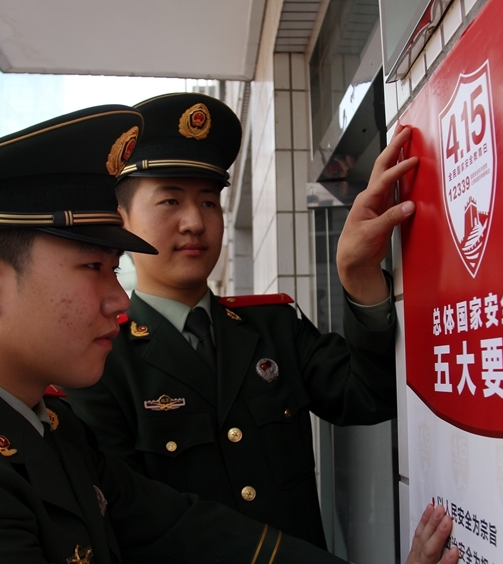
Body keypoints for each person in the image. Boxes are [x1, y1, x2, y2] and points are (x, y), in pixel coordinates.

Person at [0, 104, 456, 564]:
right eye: (93, 268)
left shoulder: (37, 424)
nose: (119, 300)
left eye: (208, 201)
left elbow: (184, 527)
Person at [65, 93, 417, 549]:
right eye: (170, 201)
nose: (194, 221)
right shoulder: (99, 361)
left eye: (209, 202)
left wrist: (360, 276)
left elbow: (369, 395)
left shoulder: (272, 327)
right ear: (122, 220)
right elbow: (130, 526)